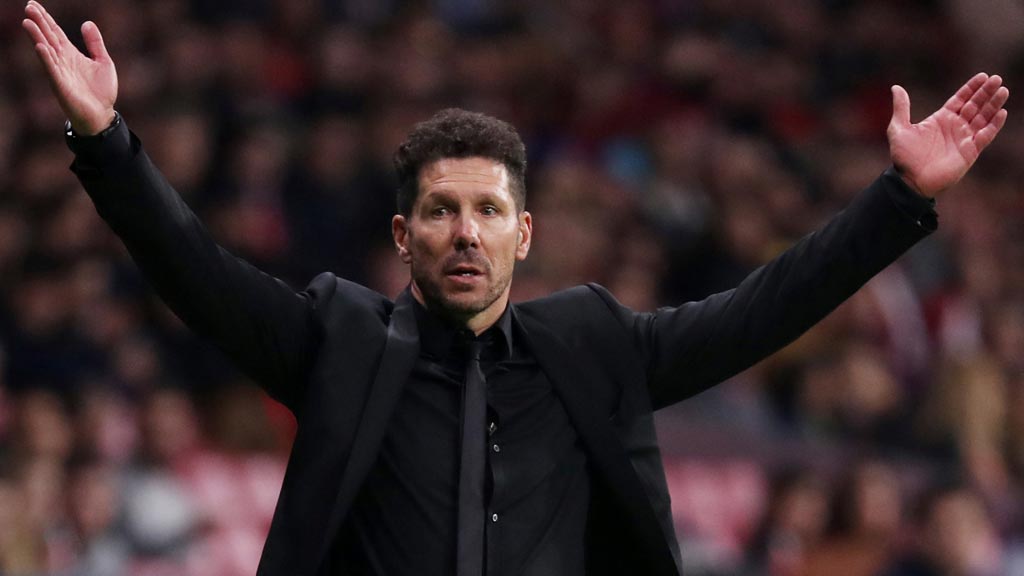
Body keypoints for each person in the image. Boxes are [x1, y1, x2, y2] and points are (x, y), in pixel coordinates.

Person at [20, 1, 1010, 575]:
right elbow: (194, 270)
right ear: (403, 236)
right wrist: (104, 142)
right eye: (441, 211)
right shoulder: (339, 340)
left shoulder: (595, 347)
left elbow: (769, 306)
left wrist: (899, 200)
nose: (466, 232)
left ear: (522, 234)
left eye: (488, 211)